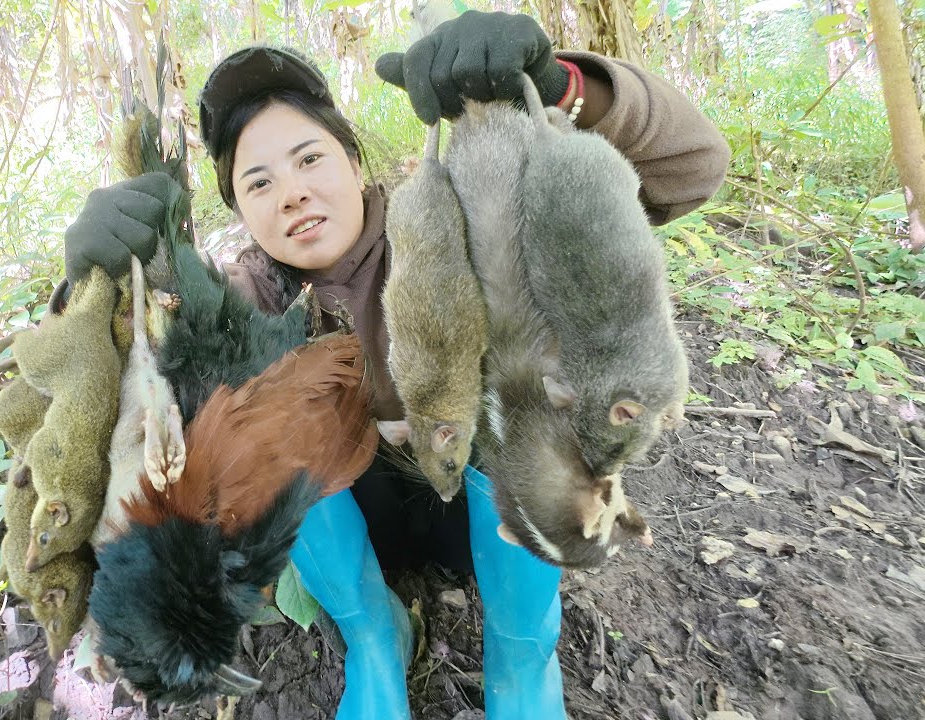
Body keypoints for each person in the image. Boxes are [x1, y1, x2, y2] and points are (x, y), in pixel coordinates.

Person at [58, 10, 729, 719]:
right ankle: (373, 634)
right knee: (243, 413)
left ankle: (521, 655)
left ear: (354, 162)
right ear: (243, 213)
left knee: (524, 385)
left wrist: (562, 88)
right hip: (353, 524)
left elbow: (691, 170)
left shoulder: (455, 215)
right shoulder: (243, 293)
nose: (291, 192)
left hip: (492, 512)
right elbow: (110, 412)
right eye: (258, 183)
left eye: (310, 159)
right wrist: (99, 285)